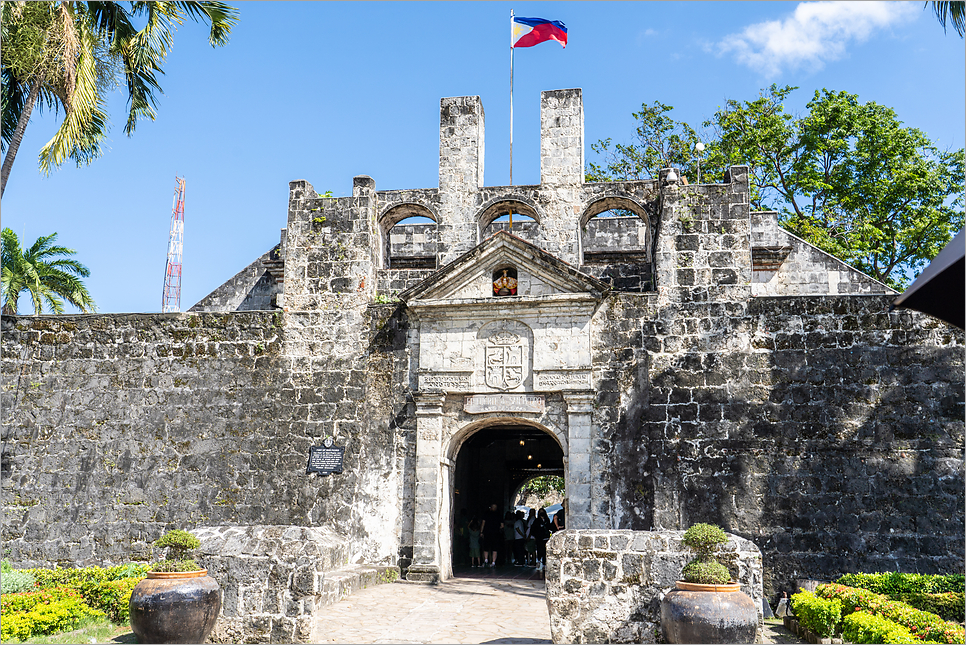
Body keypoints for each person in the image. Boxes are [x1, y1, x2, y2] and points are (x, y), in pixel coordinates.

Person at [481, 503, 503, 568]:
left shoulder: (486, 514)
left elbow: (483, 523)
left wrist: (481, 532)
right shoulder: (499, 515)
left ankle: (486, 560)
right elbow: (502, 525)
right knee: (494, 549)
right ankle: (493, 562)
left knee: (486, 548)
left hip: (487, 533)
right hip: (496, 533)